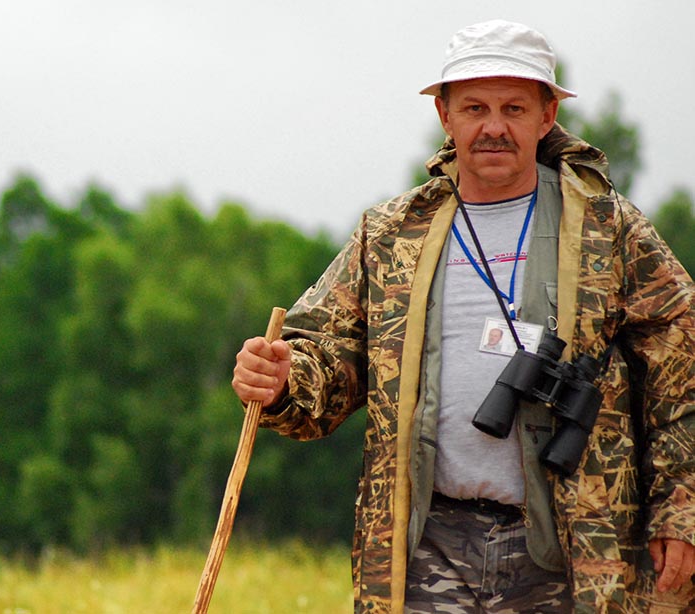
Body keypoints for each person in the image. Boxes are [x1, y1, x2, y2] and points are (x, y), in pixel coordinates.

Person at [231, 19, 695, 614]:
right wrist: (280, 379)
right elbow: (326, 360)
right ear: (446, 117)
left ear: (547, 115)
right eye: (474, 107)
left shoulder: (612, 228)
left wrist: (679, 510)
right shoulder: (391, 232)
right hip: (426, 544)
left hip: (578, 546)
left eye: (514, 108)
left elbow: (682, 378)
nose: (493, 127)